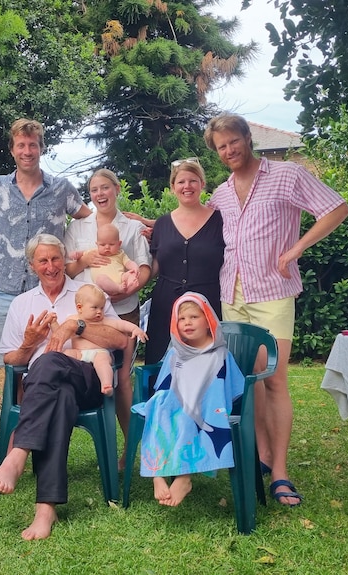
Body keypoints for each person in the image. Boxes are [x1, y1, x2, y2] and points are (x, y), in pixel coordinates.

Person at [204, 113, 348, 507]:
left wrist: (297, 248)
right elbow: (196, 227)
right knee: (246, 383)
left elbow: (336, 208)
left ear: (248, 138)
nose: (229, 150)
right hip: (230, 295)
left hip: (271, 293)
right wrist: (150, 225)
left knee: (274, 379)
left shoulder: (286, 175)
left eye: (234, 141)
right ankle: (261, 456)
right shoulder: (219, 193)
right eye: (221, 146)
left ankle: (281, 471)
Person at [0, 234, 129, 540]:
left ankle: (17, 453)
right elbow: (10, 357)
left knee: (48, 362)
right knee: (56, 390)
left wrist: (75, 326)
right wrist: (29, 343)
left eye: (56, 259)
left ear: (65, 260)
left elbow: (119, 341)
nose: (50, 266)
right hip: (47, 387)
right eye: (43, 260)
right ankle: (45, 508)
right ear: (32, 265)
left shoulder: (88, 292)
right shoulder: (23, 303)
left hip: (88, 377)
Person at [63, 168, 152, 466]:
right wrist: (85, 260)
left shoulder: (130, 226)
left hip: (123, 309)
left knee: (123, 378)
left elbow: (143, 266)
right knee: (92, 368)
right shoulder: (77, 228)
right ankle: (94, 437)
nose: (100, 194)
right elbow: (68, 270)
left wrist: (126, 288)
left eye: (105, 188)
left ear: (116, 189)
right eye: (94, 189)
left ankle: (129, 449)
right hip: (85, 313)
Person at [0, 119, 92, 365]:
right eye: (21, 145)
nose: (27, 152)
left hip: (50, 292)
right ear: (12, 149)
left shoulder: (61, 188)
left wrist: (127, 222)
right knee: (9, 364)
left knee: (50, 356)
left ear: (41, 148)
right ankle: (11, 406)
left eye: (32, 145)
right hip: (6, 292)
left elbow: (90, 220)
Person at [135, 292, 244, 507]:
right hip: (175, 403)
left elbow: (224, 390)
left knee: (188, 413)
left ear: (208, 321)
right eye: (182, 319)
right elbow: (164, 387)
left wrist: (191, 402)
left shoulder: (219, 355)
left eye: (194, 317)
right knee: (158, 409)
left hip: (208, 408)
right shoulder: (175, 354)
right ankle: (158, 474)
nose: (187, 323)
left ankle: (184, 478)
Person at [143, 158, 224, 365]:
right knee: (161, 365)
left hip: (208, 303)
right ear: (172, 188)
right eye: (181, 182)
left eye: (193, 181)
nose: (187, 186)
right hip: (165, 305)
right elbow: (156, 264)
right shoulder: (162, 224)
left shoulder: (220, 220)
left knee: (207, 364)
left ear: (202, 184)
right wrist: (133, 279)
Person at [60, 284, 147, 395]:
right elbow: (61, 333)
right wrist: (52, 323)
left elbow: (121, 324)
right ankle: (60, 380)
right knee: (66, 354)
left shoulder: (103, 321)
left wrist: (134, 329)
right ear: (79, 307)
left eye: (102, 308)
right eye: (95, 307)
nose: (99, 312)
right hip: (79, 353)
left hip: (98, 353)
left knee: (103, 363)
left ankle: (106, 384)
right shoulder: (72, 319)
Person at [68, 223, 140, 296]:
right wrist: (76, 254)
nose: (107, 247)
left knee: (130, 274)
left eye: (111, 244)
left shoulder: (120, 254)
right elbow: (81, 254)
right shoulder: (94, 252)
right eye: (102, 245)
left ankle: (131, 285)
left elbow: (128, 262)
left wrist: (134, 267)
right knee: (100, 279)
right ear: (97, 244)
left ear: (119, 244)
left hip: (121, 278)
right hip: (104, 285)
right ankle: (118, 288)